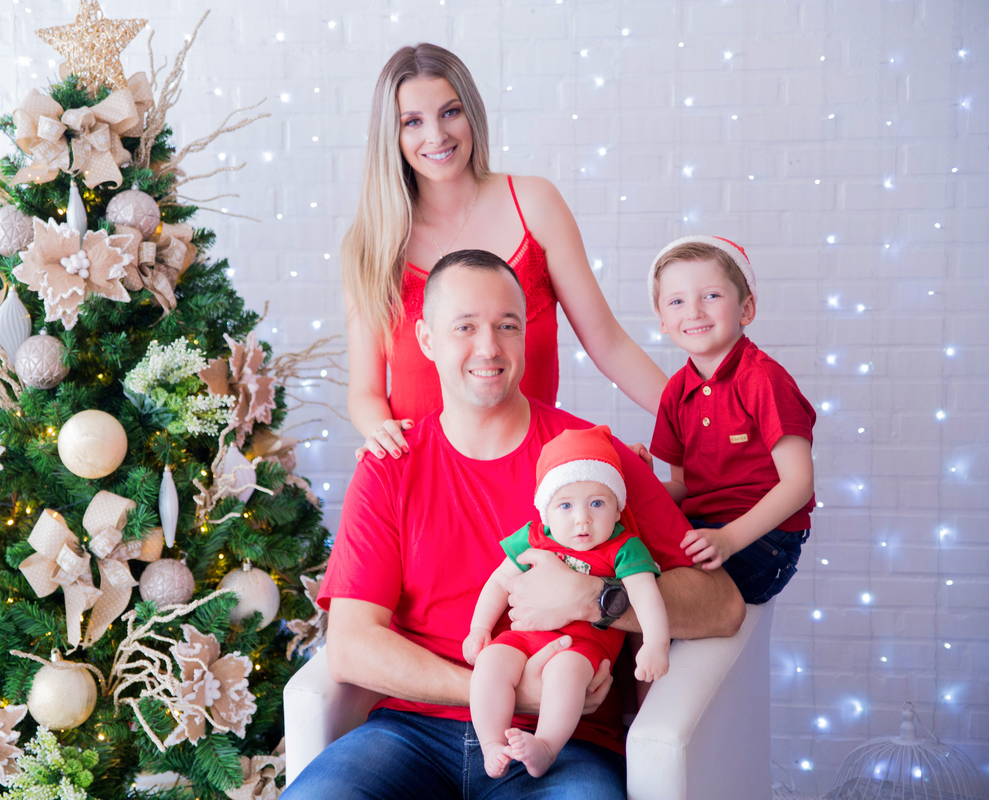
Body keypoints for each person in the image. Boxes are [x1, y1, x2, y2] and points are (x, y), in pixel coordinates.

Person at [283, 250, 745, 799]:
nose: (489, 348)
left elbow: (722, 605)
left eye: (507, 326)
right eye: (465, 327)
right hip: (408, 734)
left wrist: (595, 599)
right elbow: (351, 646)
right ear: (427, 339)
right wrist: (502, 691)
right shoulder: (390, 466)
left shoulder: (594, 461)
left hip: (565, 742)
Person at [342, 43, 667, 462]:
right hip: (423, 471)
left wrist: (693, 419)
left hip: (532, 473)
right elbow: (366, 391)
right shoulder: (372, 244)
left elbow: (610, 345)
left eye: (450, 112)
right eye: (413, 121)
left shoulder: (534, 205)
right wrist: (380, 431)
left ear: (472, 114)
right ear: (393, 134)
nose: (436, 135)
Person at [464, 425, 669, 780]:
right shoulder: (535, 537)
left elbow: (646, 595)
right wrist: (479, 627)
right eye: (565, 505)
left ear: (617, 509)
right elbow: (498, 580)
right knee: (491, 661)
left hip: (582, 646)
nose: (582, 518)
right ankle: (492, 744)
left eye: (597, 503)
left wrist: (655, 644)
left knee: (566, 672)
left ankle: (546, 746)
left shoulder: (623, 547)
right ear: (546, 512)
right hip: (524, 637)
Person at [633, 236, 816, 605]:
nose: (694, 312)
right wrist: (638, 487)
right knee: (615, 554)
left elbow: (799, 484)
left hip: (765, 540)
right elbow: (685, 487)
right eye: (677, 301)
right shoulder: (676, 392)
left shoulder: (763, 380)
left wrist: (729, 538)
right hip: (702, 529)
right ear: (663, 320)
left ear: (746, 309)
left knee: (649, 588)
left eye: (711, 296)